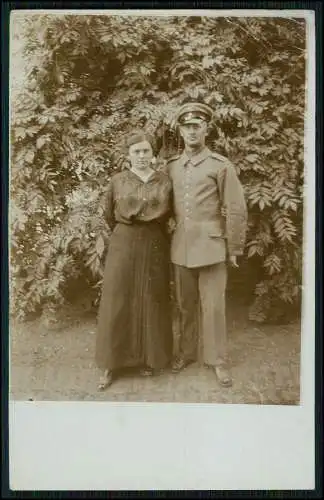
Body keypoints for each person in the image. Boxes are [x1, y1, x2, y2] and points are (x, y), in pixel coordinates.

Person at [167, 102, 248, 387]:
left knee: (213, 306)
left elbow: (235, 207)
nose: (192, 132)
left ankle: (217, 360)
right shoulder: (173, 166)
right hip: (181, 248)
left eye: (197, 126)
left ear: (206, 129)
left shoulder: (220, 165)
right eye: (187, 127)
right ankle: (187, 353)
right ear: (180, 130)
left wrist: (234, 248)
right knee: (185, 305)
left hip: (213, 246)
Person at [95, 130, 173, 390]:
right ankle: (112, 364)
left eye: (146, 151)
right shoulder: (117, 180)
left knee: (151, 297)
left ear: (153, 154)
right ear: (128, 155)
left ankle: (148, 359)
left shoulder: (164, 181)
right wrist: (125, 232)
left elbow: (171, 214)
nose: (141, 156)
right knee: (118, 298)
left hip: (154, 242)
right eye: (136, 151)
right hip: (124, 242)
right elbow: (108, 214)